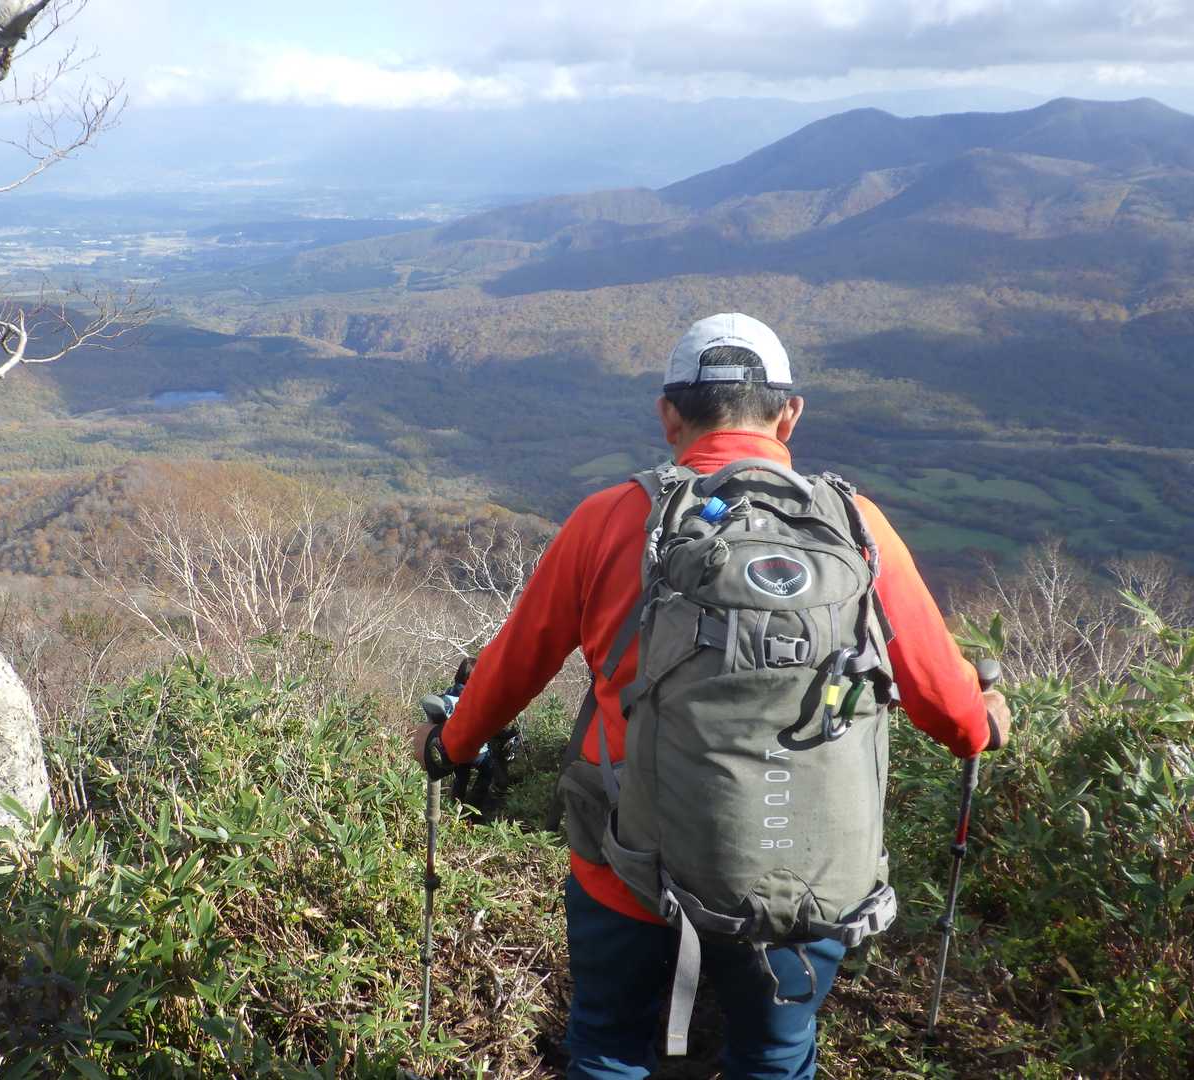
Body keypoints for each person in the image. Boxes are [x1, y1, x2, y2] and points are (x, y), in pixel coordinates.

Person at [411, 313, 1012, 1080]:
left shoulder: (609, 520)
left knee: (607, 1047)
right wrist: (986, 721)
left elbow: (512, 669)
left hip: (626, 866)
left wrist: (449, 744)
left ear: (669, 416)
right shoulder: (860, 531)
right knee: (773, 1057)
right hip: (800, 883)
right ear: (790, 415)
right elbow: (953, 714)